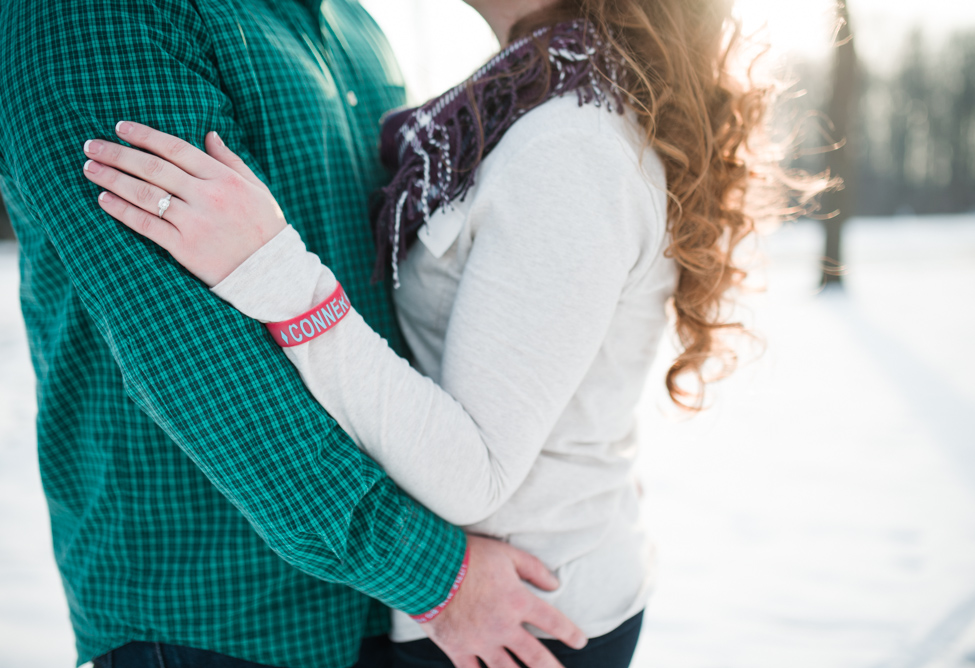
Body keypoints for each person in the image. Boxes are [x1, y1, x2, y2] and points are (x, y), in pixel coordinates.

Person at [75, 0, 791, 666]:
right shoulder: (535, 105)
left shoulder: (569, 144)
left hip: (516, 622)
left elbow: (471, 471)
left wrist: (274, 270)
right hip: (514, 601)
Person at [0, 1, 588, 667]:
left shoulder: (352, 25)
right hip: (213, 619)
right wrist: (438, 578)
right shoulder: (100, 16)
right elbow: (200, 359)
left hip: (389, 612)